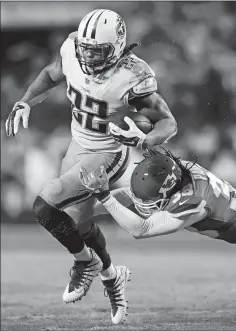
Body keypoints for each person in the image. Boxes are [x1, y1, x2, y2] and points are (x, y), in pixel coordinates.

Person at [5, 9, 177, 325]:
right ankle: (113, 277)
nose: (89, 57)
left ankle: (86, 263)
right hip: (77, 146)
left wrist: (144, 140)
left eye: (98, 51)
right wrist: (26, 100)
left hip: (108, 153)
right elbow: (51, 74)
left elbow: (167, 121)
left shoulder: (132, 75)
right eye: (86, 49)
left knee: (45, 207)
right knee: (78, 225)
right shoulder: (73, 49)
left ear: (118, 46)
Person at [80, 148, 236, 283]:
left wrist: (105, 197)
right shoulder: (183, 171)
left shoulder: (194, 202)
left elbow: (141, 229)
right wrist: (87, 207)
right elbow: (135, 193)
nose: (144, 202)